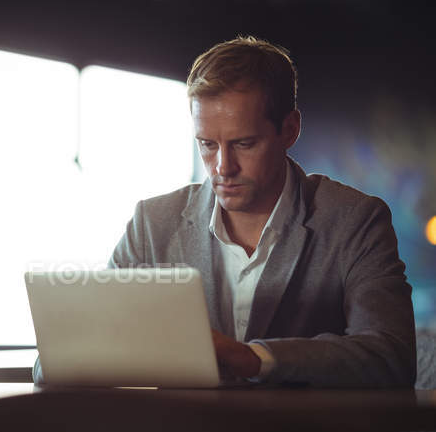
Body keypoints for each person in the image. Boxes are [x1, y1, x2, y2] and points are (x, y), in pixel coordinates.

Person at [34, 36, 416, 387]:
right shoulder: (152, 225)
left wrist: (256, 358)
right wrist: (63, 355)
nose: (221, 168)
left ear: (290, 130)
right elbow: (57, 363)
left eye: (244, 144)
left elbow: (391, 356)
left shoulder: (355, 220)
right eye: (207, 145)